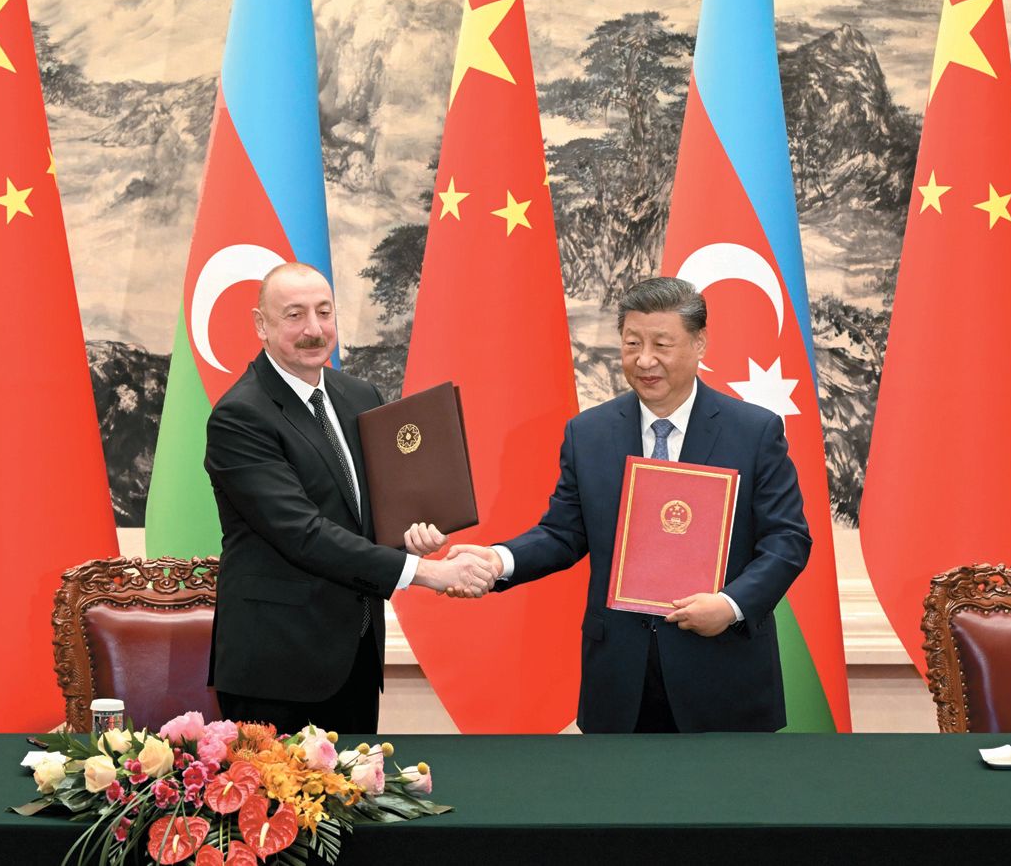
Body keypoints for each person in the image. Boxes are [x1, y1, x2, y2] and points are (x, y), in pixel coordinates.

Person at [439, 276, 811, 732]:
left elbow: (787, 540)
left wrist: (731, 605)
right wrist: (497, 560)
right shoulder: (589, 433)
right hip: (620, 678)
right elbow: (562, 533)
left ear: (699, 343)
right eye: (632, 343)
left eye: (661, 345)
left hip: (722, 670)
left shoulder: (753, 432)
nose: (645, 360)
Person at [205, 262, 489, 734]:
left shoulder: (359, 396)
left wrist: (408, 535)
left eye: (324, 312)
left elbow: (367, 513)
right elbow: (303, 534)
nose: (314, 330)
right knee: (278, 788)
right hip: (277, 669)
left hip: (355, 656)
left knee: (357, 784)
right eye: (294, 315)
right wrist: (428, 573)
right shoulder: (240, 416)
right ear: (261, 325)